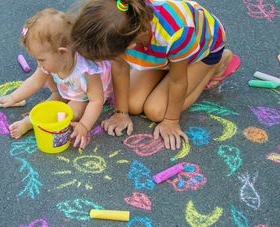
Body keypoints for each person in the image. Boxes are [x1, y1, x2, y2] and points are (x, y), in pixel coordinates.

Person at [71, 0, 241, 150]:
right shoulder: (123, 26)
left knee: (156, 112)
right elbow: (120, 67)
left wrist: (171, 121)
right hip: (160, 53)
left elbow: (178, 81)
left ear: (129, 47)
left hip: (201, 52)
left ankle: (218, 64)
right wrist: (121, 113)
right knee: (132, 104)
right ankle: (166, 66)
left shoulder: (177, 34)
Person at [0, 8, 115, 149]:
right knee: (48, 105)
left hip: (85, 96)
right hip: (68, 89)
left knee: (71, 112)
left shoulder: (86, 70)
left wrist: (84, 126)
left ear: (62, 53)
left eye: (41, 59)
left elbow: (96, 100)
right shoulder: (53, 61)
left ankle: (33, 123)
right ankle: (31, 120)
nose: (39, 64)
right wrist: (13, 97)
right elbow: (34, 81)